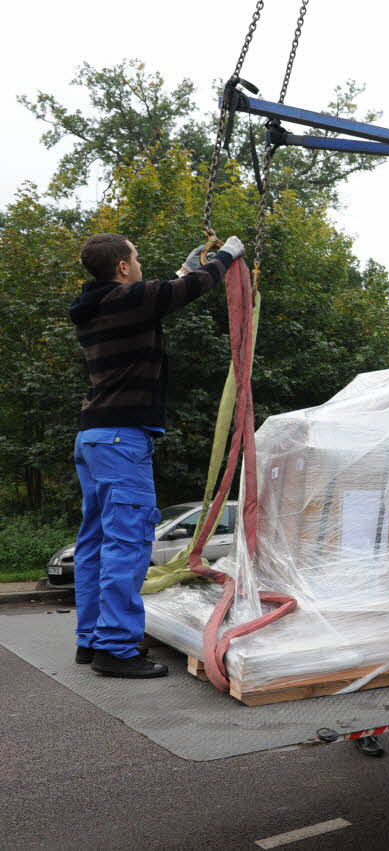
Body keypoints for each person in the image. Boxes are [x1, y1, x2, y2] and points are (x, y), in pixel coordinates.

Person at [70, 233, 244, 678]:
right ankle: (115, 648)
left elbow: (162, 294)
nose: (140, 262)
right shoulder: (127, 299)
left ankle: (91, 639)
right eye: (136, 254)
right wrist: (227, 256)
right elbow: (181, 293)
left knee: (95, 542)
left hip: (94, 438)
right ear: (123, 268)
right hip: (120, 441)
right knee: (127, 544)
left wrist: (185, 269)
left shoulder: (99, 304)